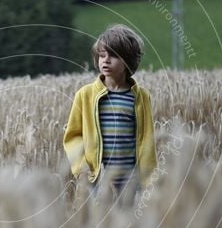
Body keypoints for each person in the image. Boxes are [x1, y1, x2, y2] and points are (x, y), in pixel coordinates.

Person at [63, 24, 157, 203]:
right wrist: (81, 169)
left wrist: (148, 179)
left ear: (128, 61)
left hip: (131, 181)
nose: (105, 60)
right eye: (101, 55)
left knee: (128, 226)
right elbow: (73, 136)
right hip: (97, 180)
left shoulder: (140, 97)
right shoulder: (85, 95)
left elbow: (147, 139)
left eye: (113, 55)